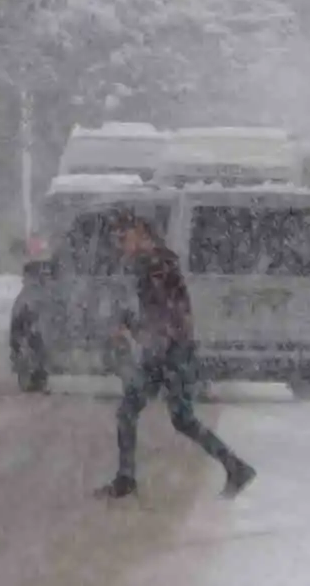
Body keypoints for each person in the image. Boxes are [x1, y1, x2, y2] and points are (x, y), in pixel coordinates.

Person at [94, 212, 256, 500]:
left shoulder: (157, 265)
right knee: (153, 415)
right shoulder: (150, 263)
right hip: (167, 351)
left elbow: (168, 312)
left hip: (170, 353)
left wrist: (141, 331)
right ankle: (127, 478)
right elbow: (158, 310)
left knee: (167, 417)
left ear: (142, 233)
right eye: (117, 239)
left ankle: (236, 467)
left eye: (124, 237)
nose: (120, 245)